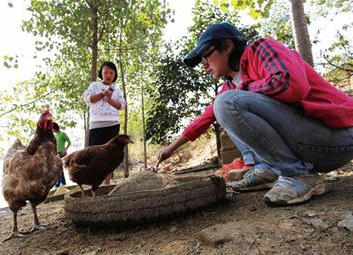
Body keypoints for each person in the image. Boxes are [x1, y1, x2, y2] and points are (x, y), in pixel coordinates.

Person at [156, 22, 353, 206]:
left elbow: (293, 85)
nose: (204, 65)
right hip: (311, 147)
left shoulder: (261, 49)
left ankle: (298, 175)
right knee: (222, 105)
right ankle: (266, 170)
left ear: (227, 46)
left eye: (206, 56)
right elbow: (203, 120)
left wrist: (241, 90)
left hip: (338, 137)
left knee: (227, 102)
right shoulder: (229, 88)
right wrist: (170, 149)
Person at [83, 61, 126, 185]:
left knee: (110, 155)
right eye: (106, 72)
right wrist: (102, 94)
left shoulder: (116, 89)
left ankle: (106, 183)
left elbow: (121, 106)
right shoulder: (94, 85)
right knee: (94, 155)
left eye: (112, 72)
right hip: (96, 124)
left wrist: (110, 99)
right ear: (101, 73)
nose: (108, 75)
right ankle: (95, 183)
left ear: (115, 74)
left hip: (113, 124)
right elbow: (88, 98)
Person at [53, 122, 71, 187]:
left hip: (62, 153)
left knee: (60, 167)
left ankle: (61, 183)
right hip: (56, 154)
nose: (52, 130)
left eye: (52, 128)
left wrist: (65, 149)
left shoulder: (63, 134)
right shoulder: (55, 135)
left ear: (55, 128)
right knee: (58, 168)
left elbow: (69, 142)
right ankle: (61, 182)